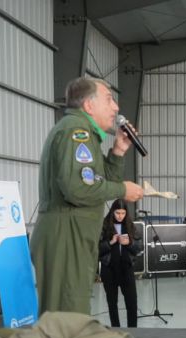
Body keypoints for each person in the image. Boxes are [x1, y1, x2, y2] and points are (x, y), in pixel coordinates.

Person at [30, 77, 144, 315]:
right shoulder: (76, 133)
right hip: (66, 235)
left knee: (70, 312)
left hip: (73, 235)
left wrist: (118, 151)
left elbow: (101, 182)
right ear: (89, 105)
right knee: (67, 317)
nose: (116, 107)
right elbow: (77, 189)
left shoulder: (86, 135)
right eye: (109, 99)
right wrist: (123, 190)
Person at [98, 199, 140, 327]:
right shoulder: (104, 226)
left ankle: (133, 330)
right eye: (117, 213)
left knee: (132, 302)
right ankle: (116, 329)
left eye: (123, 213)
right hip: (109, 269)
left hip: (126, 268)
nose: (120, 216)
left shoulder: (130, 226)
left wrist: (129, 243)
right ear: (112, 212)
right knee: (112, 303)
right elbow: (96, 249)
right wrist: (110, 243)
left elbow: (138, 247)